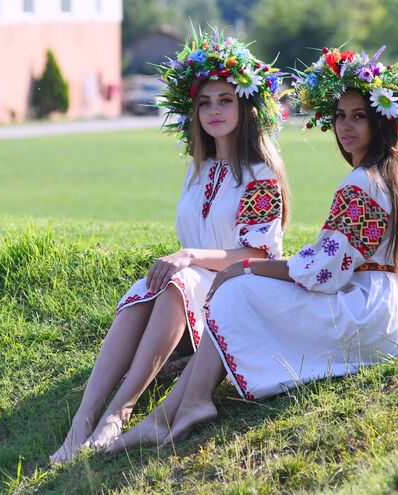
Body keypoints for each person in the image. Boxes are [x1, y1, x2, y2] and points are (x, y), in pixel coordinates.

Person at [108, 46, 398, 452]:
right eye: (339, 116)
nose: (345, 126)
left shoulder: (362, 184)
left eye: (359, 116)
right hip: (395, 319)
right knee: (239, 287)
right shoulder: (393, 181)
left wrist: (248, 269)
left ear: (382, 123)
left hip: (366, 319)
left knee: (237, 289)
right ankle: (174, 410)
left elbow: (324, 272)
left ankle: (183, 406)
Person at [49, 27, 290, 464]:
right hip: (191, 288)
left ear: (246, 107)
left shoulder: (261, 177)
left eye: (225, 100)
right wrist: (185, 262)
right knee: (143, 292)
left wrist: (190, 257)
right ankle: (81, 423)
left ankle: (117, 415)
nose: (213, 111)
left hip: (235, 290)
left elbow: (258, 254)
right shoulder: (196, 171)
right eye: (204, 103)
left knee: (181, 280)